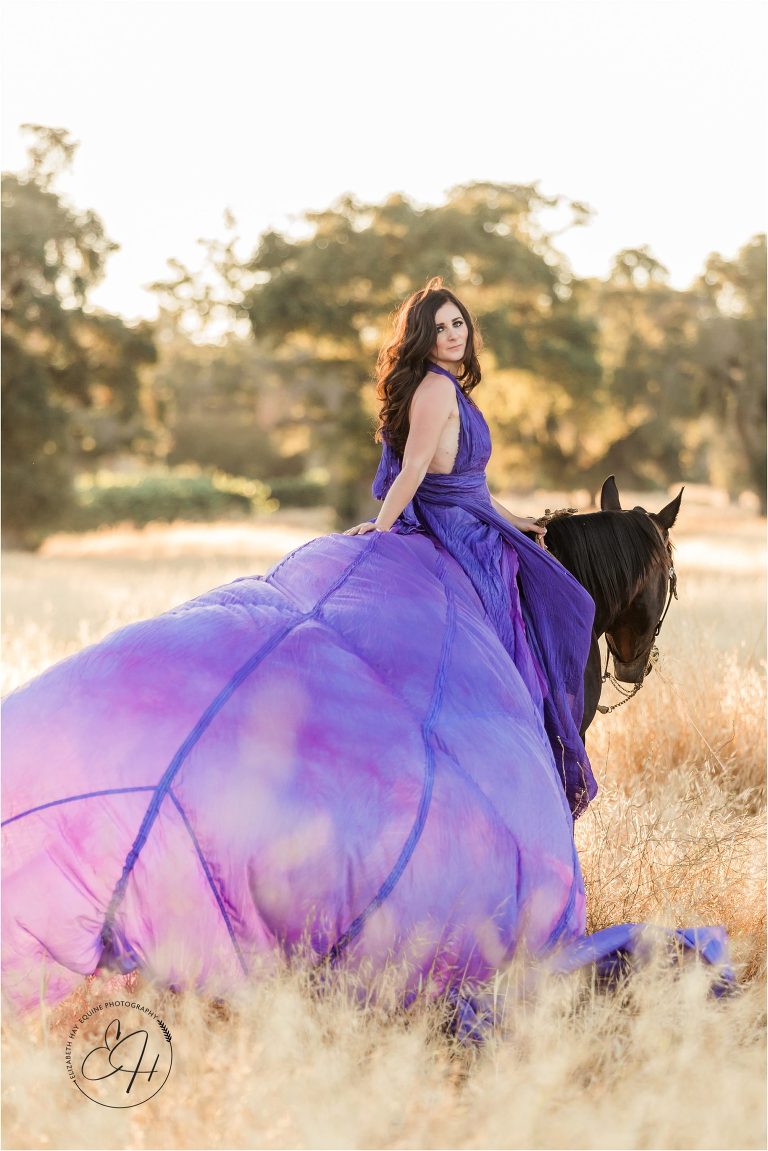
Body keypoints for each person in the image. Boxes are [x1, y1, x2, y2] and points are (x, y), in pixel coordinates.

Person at [1, 278, 732, 1022]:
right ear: (420, 334)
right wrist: (381, 532)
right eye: (440, 325)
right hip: (448, 542)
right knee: (528, 638)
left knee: (547, 604)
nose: (453, 334)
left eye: (460, 324)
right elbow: (416, 472)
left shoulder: (450, 389)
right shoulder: (435, 394)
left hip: (479, 528)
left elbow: (469, 485)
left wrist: (527, 525)